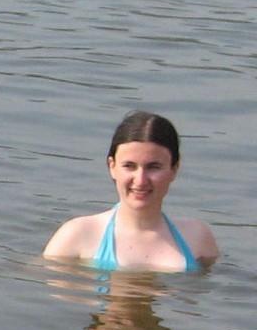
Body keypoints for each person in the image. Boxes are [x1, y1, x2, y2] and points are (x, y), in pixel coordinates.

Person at [43, 111, 219, 271]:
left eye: (154, 167)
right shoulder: (77, 235)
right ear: (112, 167)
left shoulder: (197, 237)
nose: (141, 180)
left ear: (174, 169)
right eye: (129, 166)